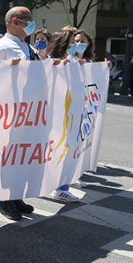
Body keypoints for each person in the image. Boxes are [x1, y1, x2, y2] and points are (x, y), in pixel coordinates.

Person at [0, 6, 39, 221]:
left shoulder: (26, 45)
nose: (31, 24)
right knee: (5, 157)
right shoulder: (3, 47)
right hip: (7, 112)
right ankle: (3, 199)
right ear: (15, 22)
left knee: (19, 156)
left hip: (26, 111)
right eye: (28, 20)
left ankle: (15, 194)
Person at [46, 28, 93, 203]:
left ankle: (63, 185)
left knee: (68, 148)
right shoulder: (53, 61)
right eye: (72, 43)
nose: (76, 46)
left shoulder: (75, 61)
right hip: (58, 113)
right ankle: (57, 186)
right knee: (58, 149)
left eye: (77, 42)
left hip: (72, 113)